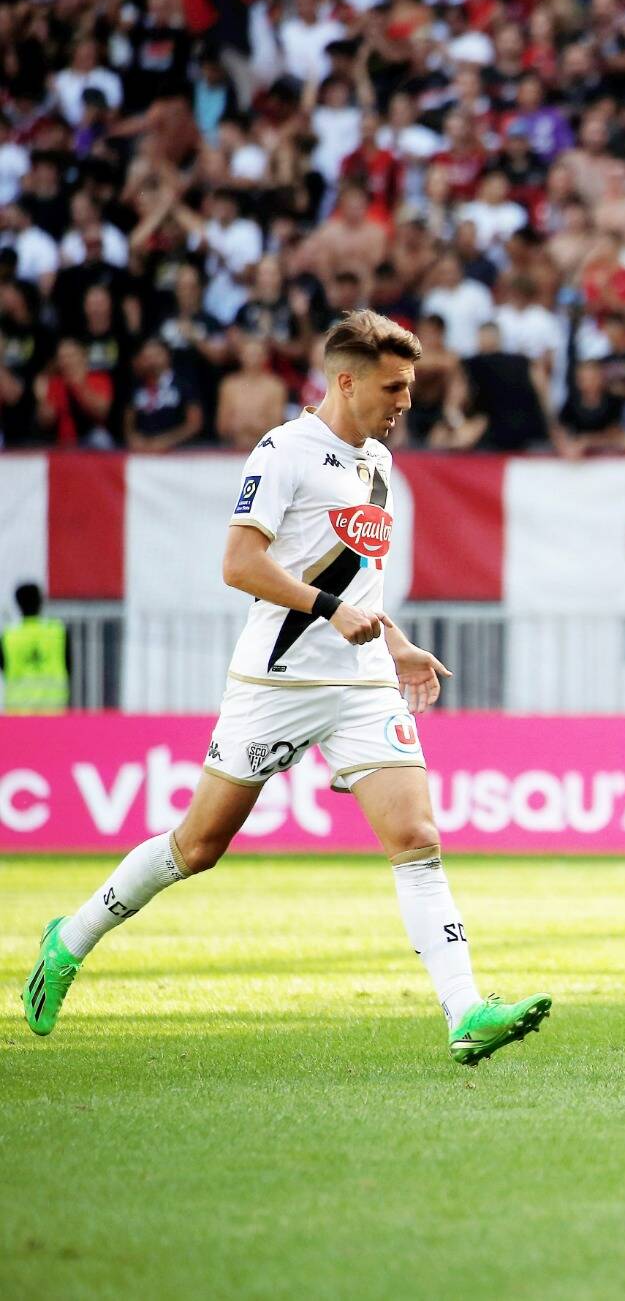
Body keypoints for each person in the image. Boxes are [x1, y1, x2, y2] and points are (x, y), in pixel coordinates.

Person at [21, 311, 551, 1064]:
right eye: (394, 387)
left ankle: (464, 1010)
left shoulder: (379, 462)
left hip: (361, 680)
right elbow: (239, 564)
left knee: (417, 839)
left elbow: (354, 575)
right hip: (279, 678)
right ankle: (69, 938)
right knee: (198, 846)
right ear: (346, 380)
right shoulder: (284, 452)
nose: (407, 402)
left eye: (411, 386)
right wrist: (331, 612)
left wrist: (394, 642)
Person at [1, 582, 69, 713]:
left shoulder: (8, 636)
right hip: (53, 710)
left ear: (18, 604)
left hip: (18, 711)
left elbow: (5, 668)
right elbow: (68, 666)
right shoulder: (58, 632)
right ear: (41, 602)